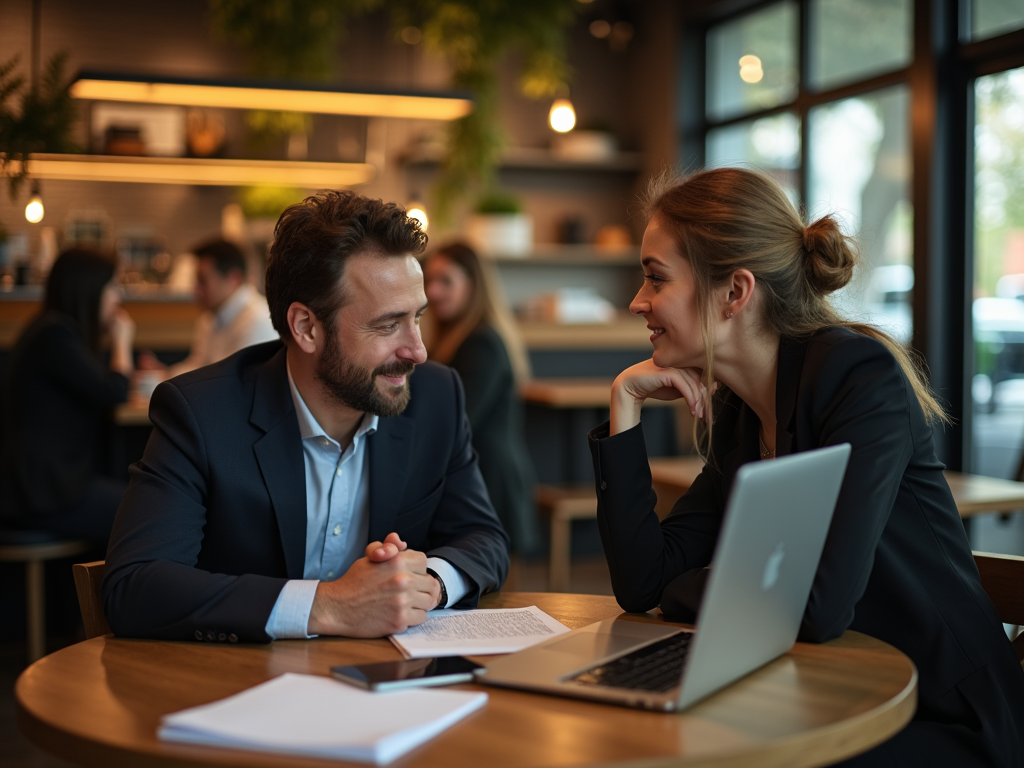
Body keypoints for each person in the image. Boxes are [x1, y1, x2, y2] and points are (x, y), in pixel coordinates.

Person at [589, 168, 1024, 766]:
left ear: (735, 293)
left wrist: (685, 588)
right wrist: (624, 404)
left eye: (655, 278)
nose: (638, 301)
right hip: (829, 691)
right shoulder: (741, 413)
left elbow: (817, 608)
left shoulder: (857, 377)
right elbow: (642, 583)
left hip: (941, 714)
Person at [103, 191, 510, 643]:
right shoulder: (201, 413)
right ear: (306, 328)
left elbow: (483, 537)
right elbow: (134, 586)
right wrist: (330, 605)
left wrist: (424, 586)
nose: (418, 349)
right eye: (388, 324)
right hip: (236, 690)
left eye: (417, 318)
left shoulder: (436, 396)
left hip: (388, 693)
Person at [0, 248, 135, 544]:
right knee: (144, 513)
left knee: (144, 505)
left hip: (49, 486)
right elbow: (113, 392)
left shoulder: (55, 330)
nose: (118, 297)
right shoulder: (54, 334)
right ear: (89, 289)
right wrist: (123, 341)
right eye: (113, 286)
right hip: (39, 493)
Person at [423, 242, 539, 555]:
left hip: (488, 478)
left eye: (445, 281)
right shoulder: (452, 340)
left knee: (494, 592)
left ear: (473, 285)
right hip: (477, 474)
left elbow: (458, 421)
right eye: (429, 280)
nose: (432, 291)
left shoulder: (481, 343)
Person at [137, 238, 277, 377]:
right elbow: (198, 366)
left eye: (202, 281)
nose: (195, 290)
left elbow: (233, 383)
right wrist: (164, 374)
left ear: (233, 278)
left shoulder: (258, 320)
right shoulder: (211, 316)